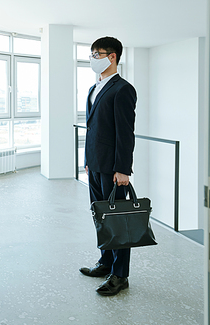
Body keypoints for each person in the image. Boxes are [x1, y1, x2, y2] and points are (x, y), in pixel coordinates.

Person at [80, 36, 137, 296]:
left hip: (114, 168)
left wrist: (123, 169)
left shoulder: (122, 89)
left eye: (97, 54)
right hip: (95, 164)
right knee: (100, 217)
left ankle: (120, 274)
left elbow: (125, 133)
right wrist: (87, 161)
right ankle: (105, 262)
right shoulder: (95, 88)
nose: (93, 59)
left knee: (116, 221)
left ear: (112, 56)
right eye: (91, 54)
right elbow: (92, 129)